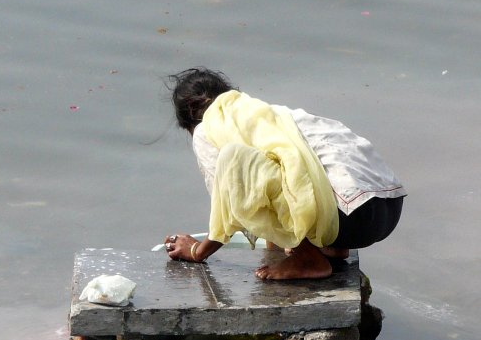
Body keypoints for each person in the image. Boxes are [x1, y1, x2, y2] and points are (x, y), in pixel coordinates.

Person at [164, 68, 406, 280]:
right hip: (387, 209)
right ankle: (331, 248)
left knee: (237, 165)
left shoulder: (208, 127)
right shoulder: (271, 113)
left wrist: (197, 251)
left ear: (190, 114)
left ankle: (308, 259)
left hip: (347, 218)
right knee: (285, 166)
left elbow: (230, 201)